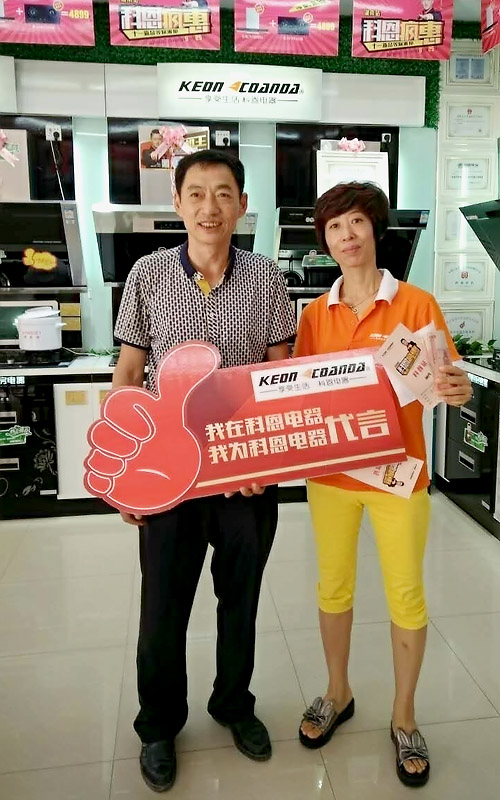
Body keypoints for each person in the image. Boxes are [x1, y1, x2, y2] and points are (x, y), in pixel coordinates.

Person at [112, 149, 296, 792]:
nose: (209, 207)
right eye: (196, 193)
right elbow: (129, 374)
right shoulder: (147, 275)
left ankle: (233, 704)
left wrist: (267, 459)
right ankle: (159, 724)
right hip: (168, 474)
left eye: (223, 193)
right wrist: (126, 472)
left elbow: (279, 376)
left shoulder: (267, 279)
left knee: (240, 602)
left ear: (242, 204)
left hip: (245, 475)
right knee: (162, 606)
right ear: (178, 203)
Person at [294, 182, 471, 788]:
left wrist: (457, 388)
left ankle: (404, 716)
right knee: (333, 586)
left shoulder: (417, 305)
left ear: (375, 229)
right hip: (333, 477)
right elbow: (299, 394)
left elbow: (447, 379)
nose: (346, 236)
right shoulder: (314, 316)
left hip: (401, 475)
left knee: (406, 594)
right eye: (334, 227)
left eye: (355, 222)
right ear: (325, 240)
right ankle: (337, 692)